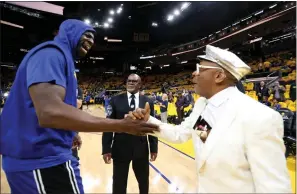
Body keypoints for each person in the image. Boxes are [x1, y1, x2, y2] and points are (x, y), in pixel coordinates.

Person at [0, 19, 158, 194]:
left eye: (93, 38)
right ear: (69, 31)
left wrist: (71, 132)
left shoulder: (63, 60)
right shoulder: (51, 53)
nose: (91, 41)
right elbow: (49, 113)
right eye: (87, 34)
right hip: (41, 159)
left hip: (40, 157)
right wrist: (122, 125)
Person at [127, 45, 291, 193]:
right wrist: (148, 121)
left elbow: (274, 187)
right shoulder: (203, 106)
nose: (194, 73)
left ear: (219, 76)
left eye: (200, 68)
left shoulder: (259, 117)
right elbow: (181, 134)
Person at [102, 74, 158, 194]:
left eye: (134, 81)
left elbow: (152, 126)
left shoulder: (148, 101)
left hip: (141, 148)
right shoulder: (115, 100)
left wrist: (154, 148)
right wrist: (106, 148)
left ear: (140, 84)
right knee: (118, 182)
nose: (131, 83)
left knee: (143, 182)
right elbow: (108, 124)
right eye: (129, 81)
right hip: (120, 147)